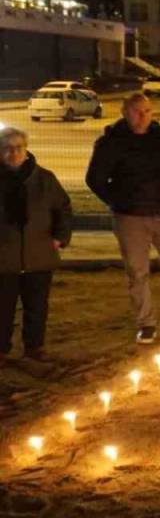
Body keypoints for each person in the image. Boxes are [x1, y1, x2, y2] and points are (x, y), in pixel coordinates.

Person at [86, 93, 160, 343]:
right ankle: (146, 324)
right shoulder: (111, 142)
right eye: (137, 111)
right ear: (125, 112)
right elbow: (95, 178)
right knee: (138, 273)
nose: (142, 116)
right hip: (130, 217)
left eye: (147, 111)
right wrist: (119, 200)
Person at [0, 128, 71, 362]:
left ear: (26, 149)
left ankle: (34, 346)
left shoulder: (44, 179)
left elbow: (63, 208)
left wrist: (60, 237)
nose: (13, 153)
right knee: (2, 308)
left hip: (39, 254)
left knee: (37, 306)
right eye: (7, 148)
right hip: (4, 258)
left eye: (18, 148)